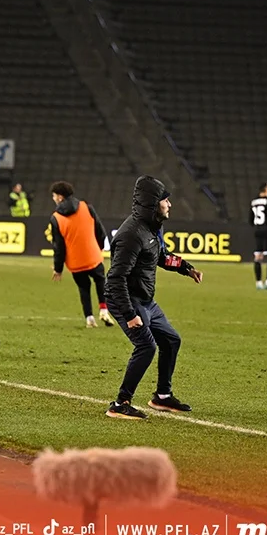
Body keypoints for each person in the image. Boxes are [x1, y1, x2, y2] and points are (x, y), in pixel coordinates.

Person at [104, 176, 203, 420]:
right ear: (152, 203)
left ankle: (162, 397)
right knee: (146, 346)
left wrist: (186, 268)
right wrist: (130, 315)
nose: (169, 204)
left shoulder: (153, 227)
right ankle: (120, 403)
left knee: (171, 340)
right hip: (127, 300)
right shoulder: (131, 234)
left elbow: (161, 255)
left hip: (145, 300)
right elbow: (116, 279)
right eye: (164, 200)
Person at [48, 181, 114, 328]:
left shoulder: (56, 218)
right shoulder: (86, 207)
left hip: (75, 262)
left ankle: (89, 318)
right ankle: (104, 310)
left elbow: (59, 247)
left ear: (59, 197)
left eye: (54, 196)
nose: (53, 199)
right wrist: (100, 248)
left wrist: (58, 269)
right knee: (100, 281)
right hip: (93, 256)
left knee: (84, 287)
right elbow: (100, 230)